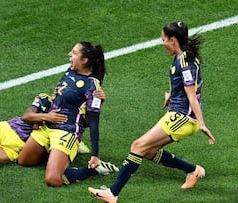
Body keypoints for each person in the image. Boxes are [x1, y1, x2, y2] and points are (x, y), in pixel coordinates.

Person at [88, 22, 216, 203]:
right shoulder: (183, 57)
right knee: (148, 151)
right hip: (178, 113)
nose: (162, 43)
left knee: (138, 146)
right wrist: (172, 95)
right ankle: (193, 170)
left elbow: (192, 95)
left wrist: (201, 123)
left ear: (173, 40)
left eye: (164, 39)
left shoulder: (185, 62)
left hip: (184, 118)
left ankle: (113, 193)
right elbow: (189, 85)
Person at [18, 41, 113, 187]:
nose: (69, 54)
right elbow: (57, 98)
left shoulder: (93, 87)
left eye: (74, 53)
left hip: (67, 132)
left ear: (84, 60)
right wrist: (42, 116)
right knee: (24, 160)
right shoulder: (69, 71)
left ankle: (94, 170)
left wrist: (95, 155)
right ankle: (57, 155)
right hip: (47, 126)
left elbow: (92, 123)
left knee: (53, 179)